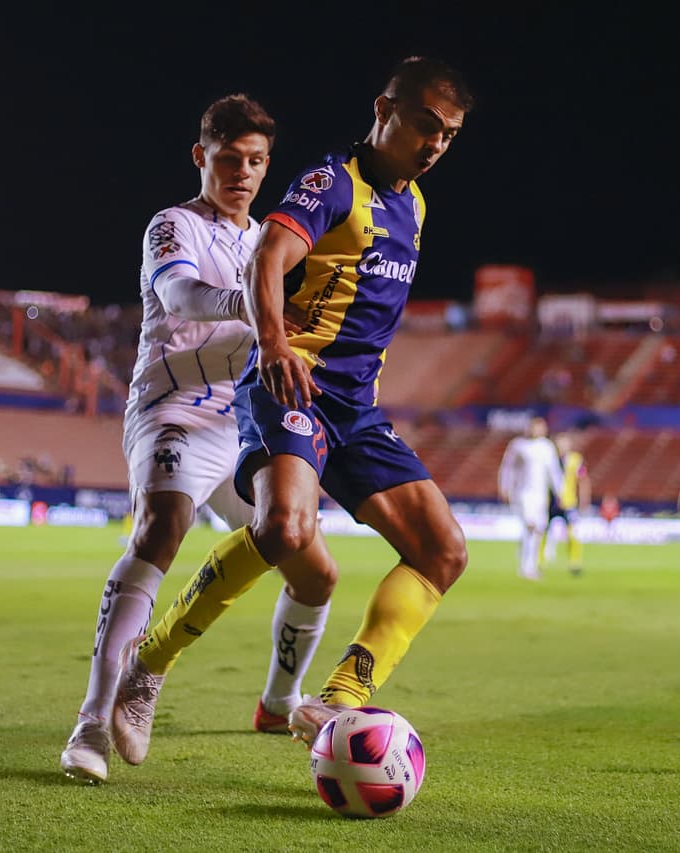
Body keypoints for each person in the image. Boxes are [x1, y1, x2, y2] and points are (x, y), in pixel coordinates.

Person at [111, 56, 475, 758]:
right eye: (425, 124)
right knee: (283, 525)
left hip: (356, 409)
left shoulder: (414, 205)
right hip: (290, 383)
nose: (435, 144)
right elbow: (268, 257)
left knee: (443, 550)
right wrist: (275, 345)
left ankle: (339, 698)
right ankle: (148, 662)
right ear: (384, 110)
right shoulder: (332, 182)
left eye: (450, 135)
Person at [59, 94, 336, 784]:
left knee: (314, 566)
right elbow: (181, 297)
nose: (242, 172)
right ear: (200, 156)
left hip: (242, 419)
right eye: (229, 158)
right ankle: (94, 717)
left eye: (256, 160)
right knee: (161, 528)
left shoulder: (267, 242)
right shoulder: (173, 224)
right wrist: (256, 304)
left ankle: (279, 702)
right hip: (174, 406)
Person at [497, 416, 562, 581]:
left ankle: (528, 561)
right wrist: (505, 487)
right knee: (531, 526)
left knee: (539, 529)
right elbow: (507, 467)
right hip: (523, 494)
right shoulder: (518, 445)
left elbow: (554, 472)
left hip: (541, 494)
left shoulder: (547, 447)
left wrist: (560, 492)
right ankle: (527, 568)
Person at [549, 431, 590, 575]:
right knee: (541, 534)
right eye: (560, 442)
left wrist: (584, 500)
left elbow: (583, 480)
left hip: (569, 502)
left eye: (565, 442)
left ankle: (575, 563)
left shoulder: (575, 459)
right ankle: (538, 563)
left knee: (573, 534)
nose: (562, 445)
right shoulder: (549, 458)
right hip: (550, 503)